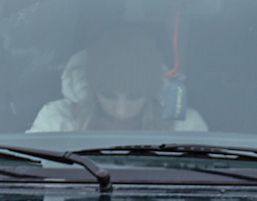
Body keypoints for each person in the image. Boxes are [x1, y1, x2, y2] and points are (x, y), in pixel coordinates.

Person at [28, 25, 208, 133]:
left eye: (134, 96)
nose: (121, 110)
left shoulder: (184, 127)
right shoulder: (57, 120)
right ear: (91, 90)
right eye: (109, 95)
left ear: (151, 91)